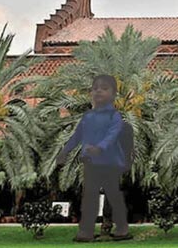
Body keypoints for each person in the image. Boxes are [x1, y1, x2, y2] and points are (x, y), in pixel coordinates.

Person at [56, 75, 132, 242]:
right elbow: (77, 136)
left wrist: (100, 147)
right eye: (95, 88)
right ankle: (86, 231)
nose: (99, 91)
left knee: (113, 196)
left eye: (104, 88)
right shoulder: (88, 116)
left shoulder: (114, 116)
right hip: (90, 163)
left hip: (110, 164)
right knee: (89, 197)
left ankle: (121, 228)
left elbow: (113, 134)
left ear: (113, 94)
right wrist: (65, 151)